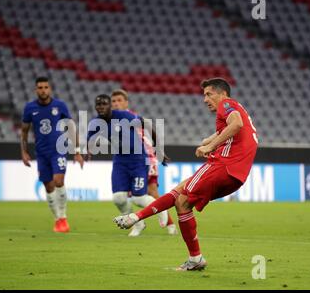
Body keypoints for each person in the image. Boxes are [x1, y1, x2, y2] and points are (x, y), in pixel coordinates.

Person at [114, 78, 258, 270]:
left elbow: (236, 124)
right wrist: (211, 138)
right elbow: (236, 128)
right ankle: (136, 218)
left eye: (209, 94)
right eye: (204, 95)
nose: (204, 99)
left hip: (223, 165)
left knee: (181, 201)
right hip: (236, 174)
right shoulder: (238, 108)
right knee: (180, 193)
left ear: (222, 93)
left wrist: (210, 145)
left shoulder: (227, 104)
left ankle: (195, 258)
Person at [87, 94, 171, 237]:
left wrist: (158, 149)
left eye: (104, 104)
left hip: (137, 159)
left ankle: (161, 209)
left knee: (138, 198)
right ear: (95, 107)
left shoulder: (124, 116)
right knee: (118, 198)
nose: (101, 107)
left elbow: (147, 124)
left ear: (109, 106)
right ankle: (137, 223)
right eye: (98, 104)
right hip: (120, 161)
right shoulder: (95, 122)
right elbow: (90, 139)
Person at [21, 77, 84, 233]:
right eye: (40, 87)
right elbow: (24, 131)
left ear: (50, 89)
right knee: (48, 187)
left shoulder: (59, 106)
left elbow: (71, 127)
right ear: (36, 90)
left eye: (46, 87)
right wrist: (23, 151)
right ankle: (57, 220)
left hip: (59, 149)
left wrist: (77, 151)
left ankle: (63, 217)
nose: (43, 90)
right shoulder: (30, 108)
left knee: (58, 180)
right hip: (41, 153)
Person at [111, 89, 177, 235]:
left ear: (126, 102)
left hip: (145, 157)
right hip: (126, 161)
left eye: (119, 100)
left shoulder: (131, 116)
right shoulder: (111, 120)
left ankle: (170, 224)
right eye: (113, 101)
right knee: (131, 195)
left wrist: (158, 150)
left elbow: (149, 127)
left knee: (151, 192)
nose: (116, 104)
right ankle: (139, 222)